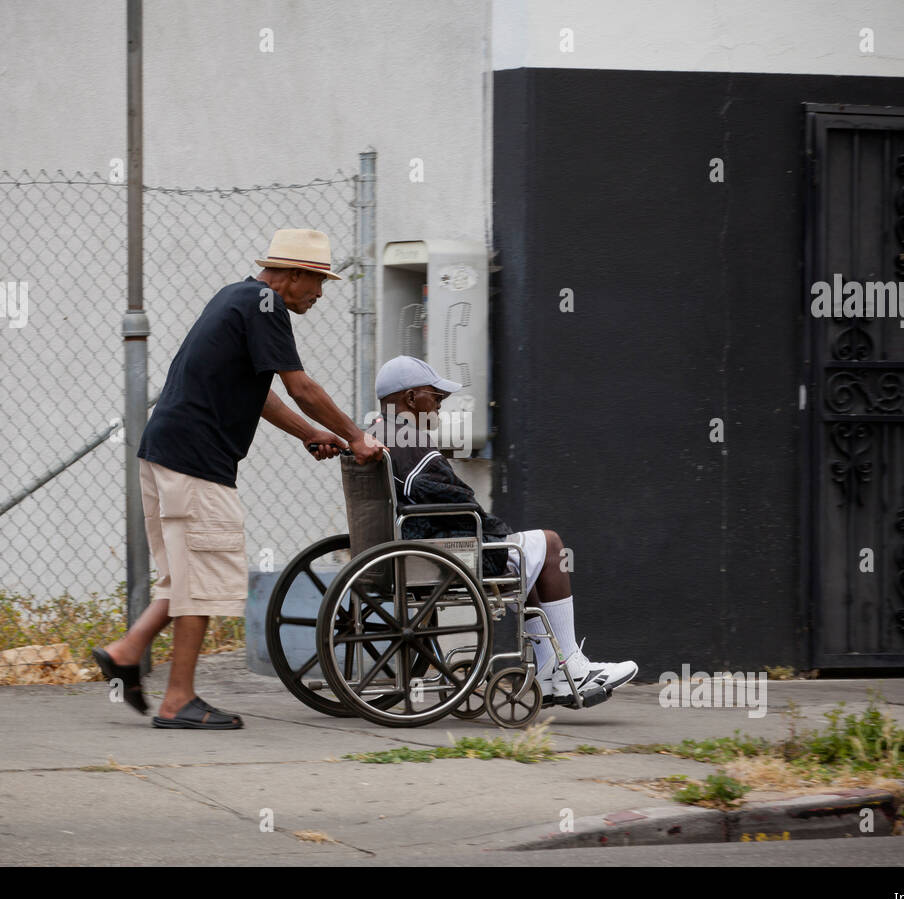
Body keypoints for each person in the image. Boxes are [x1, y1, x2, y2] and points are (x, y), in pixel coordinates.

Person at [94, 229, 385, 729]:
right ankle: (177, 701)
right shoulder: (267, 305)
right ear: (293, 275)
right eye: (318, 282)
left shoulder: (238, 298)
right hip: (196, 463)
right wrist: (357, 437)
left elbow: (264, 394)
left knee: (185, 577)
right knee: (202, 582)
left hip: (164, 453)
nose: (320, 294)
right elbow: (302, 387)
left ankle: (126, 651)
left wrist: (308, 434)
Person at [367, 355, 637, 706]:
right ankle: (568, 664)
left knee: (529, 558)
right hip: (444, 551)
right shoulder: (411, 442)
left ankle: (554, 671)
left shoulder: (378, 432)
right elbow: (460, 503)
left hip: (418, 543)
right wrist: (496, 531)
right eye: (436, 397)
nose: (439, 406)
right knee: (550, 545)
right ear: (411, 397)